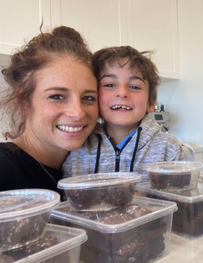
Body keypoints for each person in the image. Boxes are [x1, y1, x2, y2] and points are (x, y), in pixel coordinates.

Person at [0, 26, 98, 198]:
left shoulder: (88, 169)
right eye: (57, 96)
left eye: (88, 98)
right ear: (23, 101)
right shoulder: (5, 169)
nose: (78, 113)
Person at [62, 46, 185, 181]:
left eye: (134, 87)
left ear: (151, 103)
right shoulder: (77, 146)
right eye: (109, 85)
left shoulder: (168, 148)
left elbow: (178, 196)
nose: (122, 93)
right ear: (92, 97)